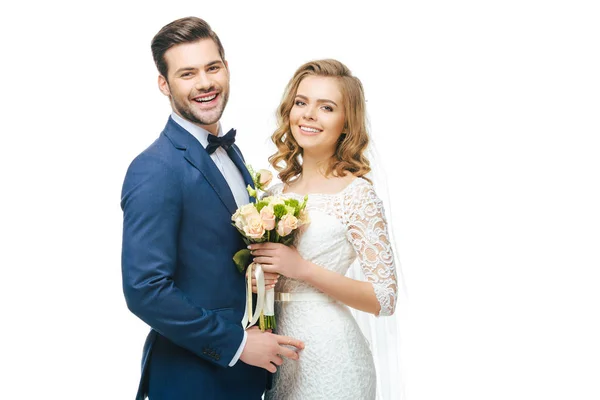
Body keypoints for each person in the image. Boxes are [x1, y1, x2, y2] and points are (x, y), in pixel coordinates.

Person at [120, 17, 304, 400]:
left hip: (245, 381)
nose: (205, 83)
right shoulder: (155, 168)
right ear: (164, 84)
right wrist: (238, 343)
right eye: (187, 73)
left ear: (226, 69)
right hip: (193, 380)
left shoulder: (232, 152)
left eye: (212, 67)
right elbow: (145, 290)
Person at [249, 59, 399, 399]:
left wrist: (301, 268)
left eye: (326, 107)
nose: (309, 115)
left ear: (347, 123)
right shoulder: (273, 195)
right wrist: (258, 279)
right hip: (280, 355)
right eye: (301, 103)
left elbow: (384, 298)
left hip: (333, 357)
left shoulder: (356, 195)